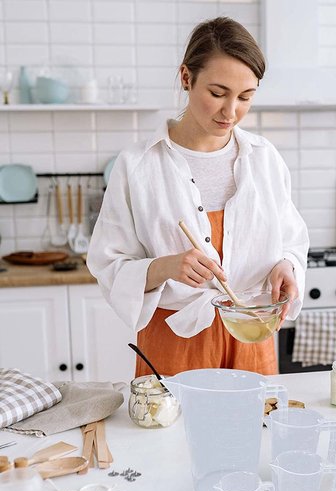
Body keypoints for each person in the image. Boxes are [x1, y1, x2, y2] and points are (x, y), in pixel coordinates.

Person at [87, 17, 309, 377]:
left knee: (255, 429)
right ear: (186, 78)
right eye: (218, 93)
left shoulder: (265, 158)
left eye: (246, 97)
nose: (231, 111)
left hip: (250, 336)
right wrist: (167, 266)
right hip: (175, 342)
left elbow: (292, 240)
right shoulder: (138, 166)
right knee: (171, 433)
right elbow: (108, 265)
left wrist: (287, 265)